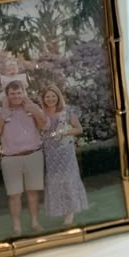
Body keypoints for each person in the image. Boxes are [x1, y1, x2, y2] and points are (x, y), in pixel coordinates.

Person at [0, 80, 47, 236]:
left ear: (24, 93)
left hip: (34, 155)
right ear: (7, 95)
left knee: (33, 192)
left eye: (19, 93)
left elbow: (44, 126)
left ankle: (35, 223)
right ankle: (17, 228)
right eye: (13, 93)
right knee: (14, 195)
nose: (16, 96)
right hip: (11, 158)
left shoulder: (32, 108)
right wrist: (3, 117)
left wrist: (34, 110)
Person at [39, 84, 89, 227]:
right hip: (50, 153)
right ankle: (60, 209)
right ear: (43, 99)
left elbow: (79, 129)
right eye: (47, 96)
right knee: (55, 181)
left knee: (68, 180)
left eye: (53, 96)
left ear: (58, 97)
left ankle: (70, 215)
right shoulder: (41, 113)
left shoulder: (67, 111)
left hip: (65, 152)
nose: (50, 99)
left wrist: (64, 132)